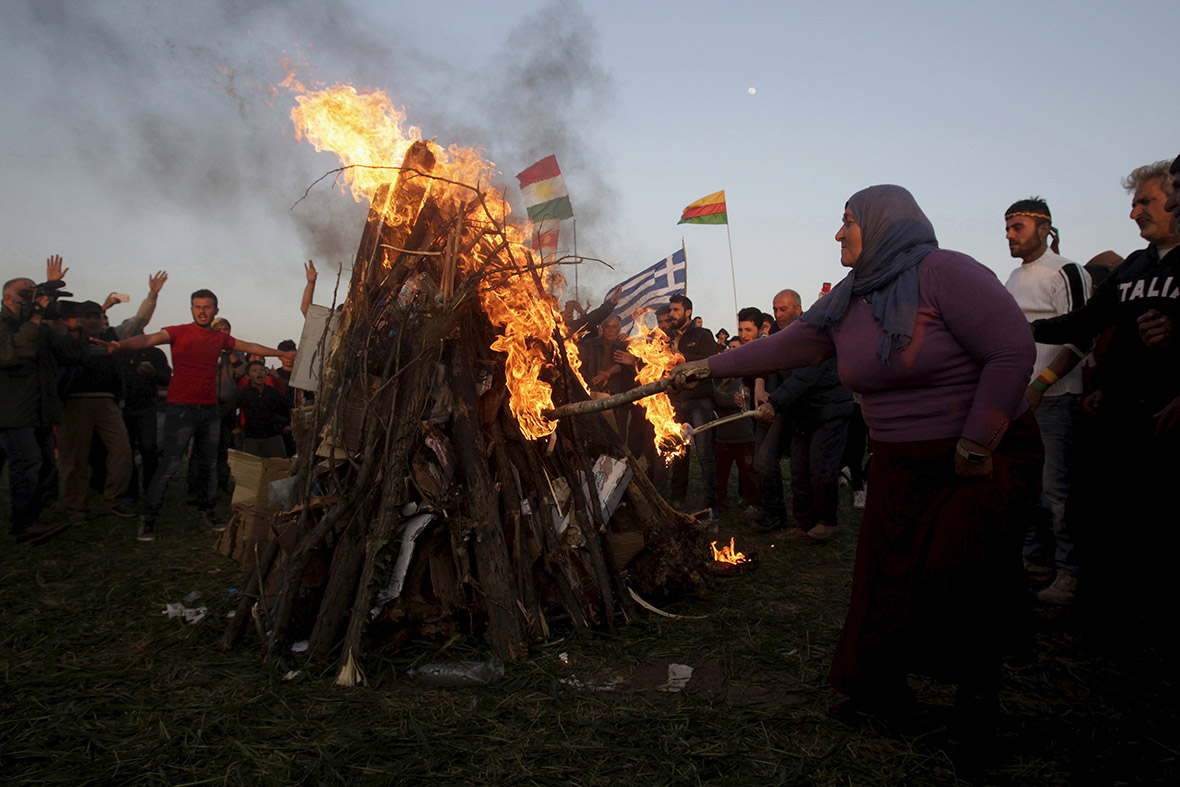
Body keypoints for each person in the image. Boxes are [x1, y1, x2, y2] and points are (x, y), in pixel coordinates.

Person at [671, 185, 1034, 725]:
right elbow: (791, 344)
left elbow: (1011, 350)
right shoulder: (849, 297)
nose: (838, 233)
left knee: (958, 576)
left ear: (884, 223)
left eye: (847, 221)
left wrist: (978, 439)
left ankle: (976, 701)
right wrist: (710, 367)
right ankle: (878, 688)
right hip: (898, 459)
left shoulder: (945, 272)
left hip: (971, 457)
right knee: (883, 576)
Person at [1032, 158, 1180, 634]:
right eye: (1134, 203)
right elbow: (1088, 327)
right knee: (1101, 511)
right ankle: (1109, 614)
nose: (1135, 213)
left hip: (1170, 415)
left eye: (1146, 201)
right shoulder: (1134, 267)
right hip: (1123, 414)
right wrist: (1020, 326)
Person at [94, 289, 296, 541]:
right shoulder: (179, 332)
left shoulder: (218, 339)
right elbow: (148, 340)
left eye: (207, 307)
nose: (202, 311)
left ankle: (207, 512)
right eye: (197, 306)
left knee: (209, 464)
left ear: (215, 311)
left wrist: (279, 354)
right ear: (191, 309)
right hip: (181, 408)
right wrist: (117, 345)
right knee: (169, 464)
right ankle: (149, 518)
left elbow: (250, 345)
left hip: (209, 409)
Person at [1002, 198, 1091, 603]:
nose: (1009, 235)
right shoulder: (1012, 278)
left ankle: (1071, 573)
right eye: (1007, 228)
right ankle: (1034, 559)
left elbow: (1081, 335)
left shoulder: (1067, 271)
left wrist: (1042, 385)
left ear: (1044, 228)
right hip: (1018, 400)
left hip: (1056, 397)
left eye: (1017, 227)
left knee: (1058, 490)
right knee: (1024, 483)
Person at [1, 256, 87, 543]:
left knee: (43, 465)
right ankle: (23, 526)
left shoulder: (41, 328)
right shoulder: (5, 323)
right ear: (7, 297)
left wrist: (74, 328)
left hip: (39, 410)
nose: (32, 299)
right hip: (10, 411)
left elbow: (73, 356)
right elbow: (11, 354)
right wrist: (37, 316)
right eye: (26, 293)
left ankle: (32, 517)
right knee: (27, 463)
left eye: (34, 293)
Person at [666, 294, 720, 520]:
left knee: (705, 454)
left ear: (688, 312)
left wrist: (680, 357)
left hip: (699, 400)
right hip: (677, 402)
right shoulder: (667, 337)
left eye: (676, 310)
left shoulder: (702, 334)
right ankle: (678, 500)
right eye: (671, 310)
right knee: (679, 453)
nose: (672, 314)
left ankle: (711, 506)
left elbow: (710, 360)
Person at [238, 360, 291, 458]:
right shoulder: (244, 394)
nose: (259, 373)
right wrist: (235, 427)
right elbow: (233, 409)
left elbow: (286, 407)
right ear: (248, 376)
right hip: (252, 437)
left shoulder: (273, 392)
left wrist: (285, 425)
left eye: (262, 370)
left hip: (273, 435)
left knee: (277, 467)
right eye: (254, 370)